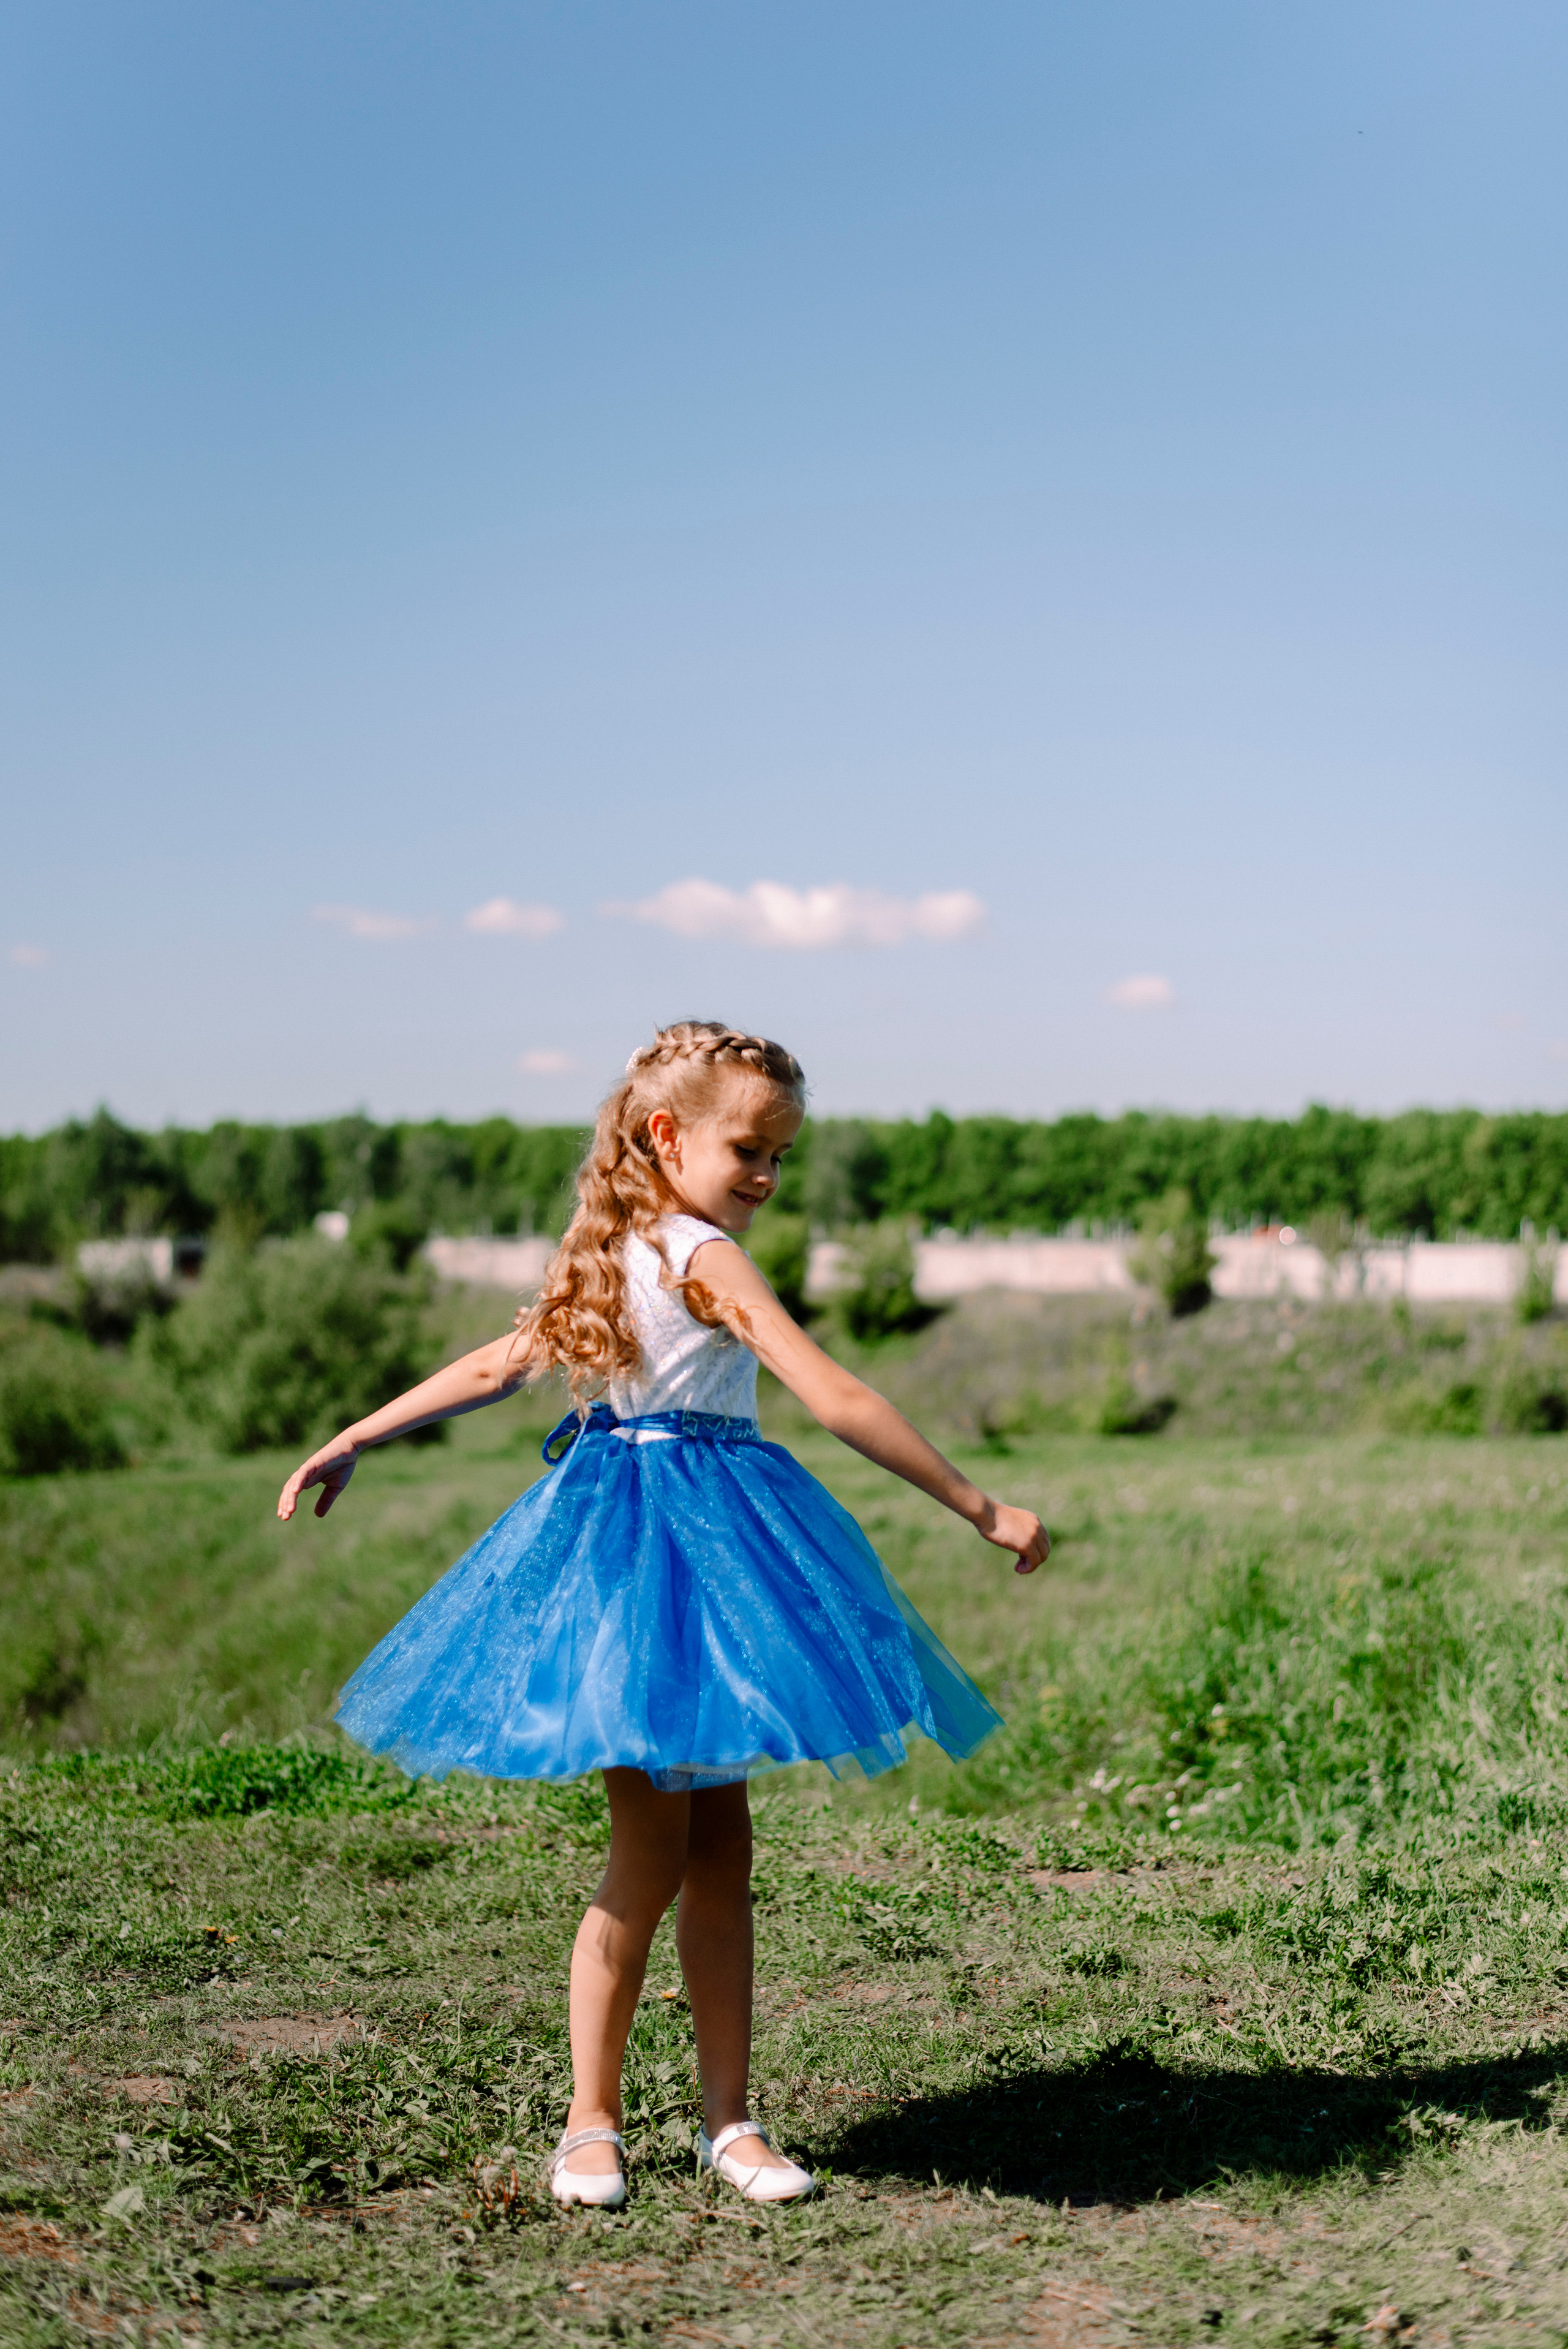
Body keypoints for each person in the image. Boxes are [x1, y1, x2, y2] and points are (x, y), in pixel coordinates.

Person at [278, 1021, 1048, 2209]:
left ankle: (728, 2121)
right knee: (647, 1856)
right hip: (648, 1562)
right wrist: (978, 1503)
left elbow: (512, 1363)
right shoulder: (675, 1256)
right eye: (748, 1147)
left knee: (720, 1851)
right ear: (663, 1134)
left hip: (708, 1555)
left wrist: (352, 1436)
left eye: (780, 1156)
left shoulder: (648, 1246)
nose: (766, 1176)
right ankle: (592, 2124)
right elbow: (822, 1393)